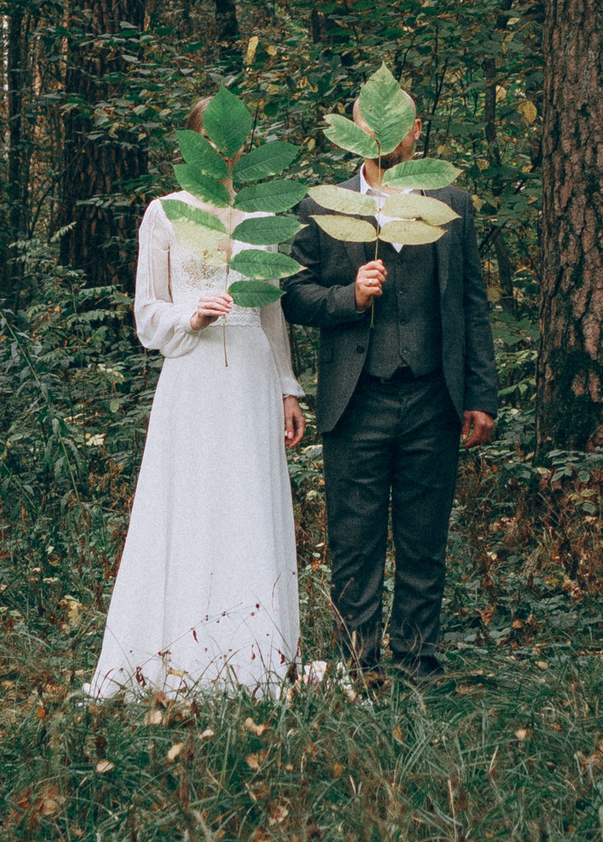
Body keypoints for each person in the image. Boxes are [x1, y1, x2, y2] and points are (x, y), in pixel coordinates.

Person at [83, 101, 307, 698]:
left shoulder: (262, 215)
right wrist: (192, 314)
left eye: (235, 140)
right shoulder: (166, 214)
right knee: (192, 501)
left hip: (253, 374)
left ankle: (256, 656)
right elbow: (146, 311)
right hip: (194, 370)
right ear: (194, 143)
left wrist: (288, 387)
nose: (224, 150)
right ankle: (180, 649)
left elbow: (273, 312)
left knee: (248, 501)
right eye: (212, 139)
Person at [282, 91, 499, 683]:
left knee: (424, 537)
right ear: (353, 132)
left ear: (414, 130)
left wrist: (480, 393)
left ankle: (419, 661)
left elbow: (471, 303)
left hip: (434, 395)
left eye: (398, 122)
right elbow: (293, 294)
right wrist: (348, 296)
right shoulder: (323, 206)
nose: (385, 133)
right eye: (369, 123)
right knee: (354, 540)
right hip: (357, 398)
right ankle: (359, 665)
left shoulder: (450, 202)